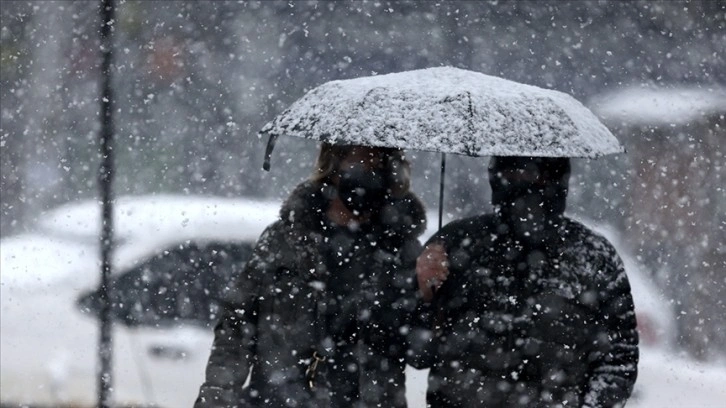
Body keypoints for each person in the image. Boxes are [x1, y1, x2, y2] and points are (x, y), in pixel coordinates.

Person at [195, 143, 426, 408]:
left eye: (380, 166)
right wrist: (217, 397)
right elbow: (237, 326)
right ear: (333, 166)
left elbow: (422, 352)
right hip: (278, 399)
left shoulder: (402, 252)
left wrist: (428, 295)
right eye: (362, 163)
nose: (370, 175)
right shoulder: (285, 240)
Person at [408, 156, 639, 408]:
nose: (526, 185)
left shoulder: (594, 257)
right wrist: (423, 293)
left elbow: (618, 359)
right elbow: (418, 354)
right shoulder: (455, 245)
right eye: (514, 174)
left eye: (539, 176)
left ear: (559, 179)